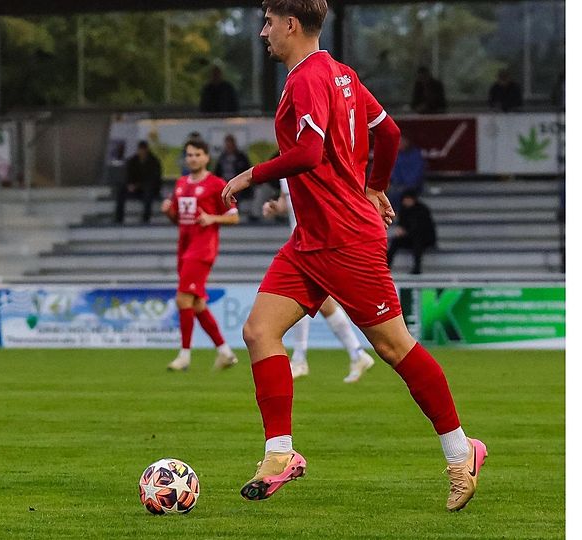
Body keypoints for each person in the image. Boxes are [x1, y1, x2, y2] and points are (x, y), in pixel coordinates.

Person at [221, 0, 486, 512]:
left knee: (394, 347)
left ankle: (462, 452)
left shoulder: (305, 79)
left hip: (346, 240)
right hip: (310, 241)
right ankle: (280, 453)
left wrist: (250, 175)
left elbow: (308, 154)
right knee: (259, 331)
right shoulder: (341, 74)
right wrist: (376, 185)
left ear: (291, 24)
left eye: (268, 23)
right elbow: (388, 131)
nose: (263, 33)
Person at [262, 181, 376, 382]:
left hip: (317, 245)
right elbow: (286, 201)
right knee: (321, 303)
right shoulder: (284, 173)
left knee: (296, 297)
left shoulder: (310, 166)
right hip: (301, 245)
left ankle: (300, 360)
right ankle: (357, 353)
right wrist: (275, 207)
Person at [161, 139, 241, 371]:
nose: (193, 159)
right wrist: (168, 212)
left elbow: (234, 216)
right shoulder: (180, 184)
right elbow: (179, 220)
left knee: (182, 299)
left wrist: (212, 218)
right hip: (184, 247)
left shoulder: (217, 184)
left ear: (206, 157)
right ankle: (225, 352)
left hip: (203, 248)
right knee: (196, 304)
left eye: (197, 154)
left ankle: (184, 356)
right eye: (189, 155)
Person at [387, 190, 437, 275]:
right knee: (395, 241)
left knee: (417, 240)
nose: (406, 201)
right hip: (409, 237)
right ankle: (387, 266)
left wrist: (407, 232)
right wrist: (401, 231)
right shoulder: (403, 210)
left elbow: (423, 228)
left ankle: (417, 267)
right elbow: (401, 224)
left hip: (424, 238)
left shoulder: (422, 210)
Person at [115, 141, 163, 224]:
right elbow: (129, 175)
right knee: (121, 191)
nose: (142, 152)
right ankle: (118, 219)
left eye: (143, 150)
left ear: (147, 150)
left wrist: (138, 185)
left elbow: (154, 179)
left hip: (149, 188)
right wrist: (130, 184)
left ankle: (145, 219)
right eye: (140, 150)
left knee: (148, 191)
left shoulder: (154, 161)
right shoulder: (132, 161)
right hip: (135, 188)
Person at [387, 134, 426, 211]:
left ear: (407, 142)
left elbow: (417, 174)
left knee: (399, 193)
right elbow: (392, 172)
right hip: (397, 185)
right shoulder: (394, 154)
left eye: (402, 141)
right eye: (398, 141)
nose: (400, 143)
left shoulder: (416, 155)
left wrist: (405, 184)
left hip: (413, 185)